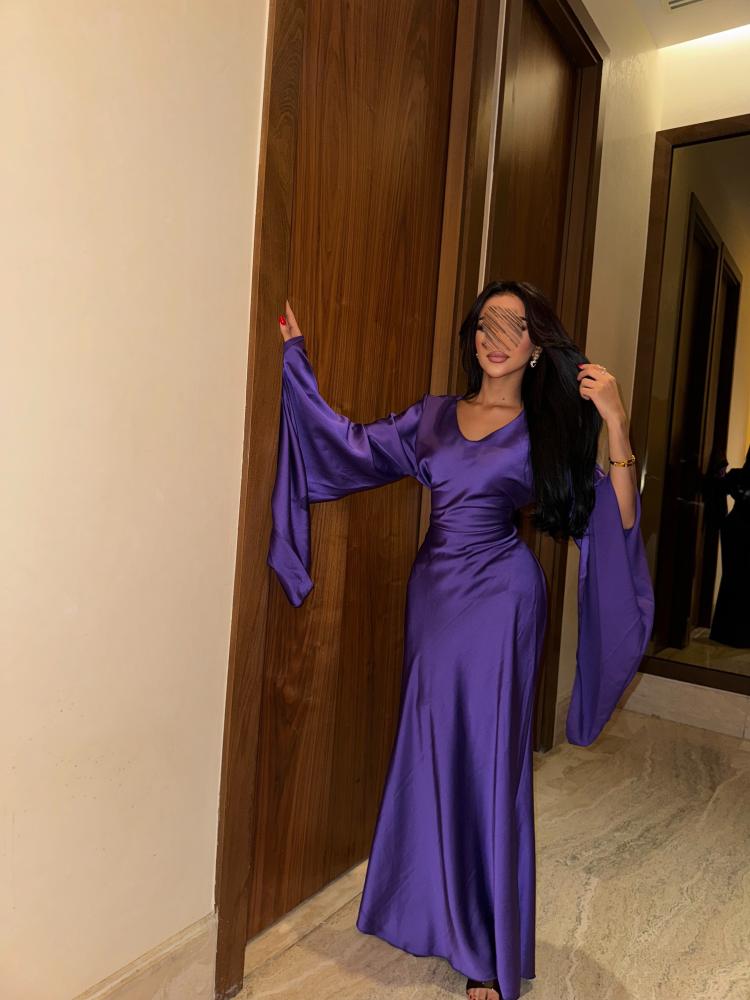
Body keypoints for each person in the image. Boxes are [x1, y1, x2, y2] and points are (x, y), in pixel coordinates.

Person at [267, 281, 655, 1000]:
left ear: (536, 347)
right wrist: (296, 364)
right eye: (486, 323)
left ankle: (485, 950)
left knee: (489, 757)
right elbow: (346, 445)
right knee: (431, 745)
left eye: (513, 325)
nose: (495, 336)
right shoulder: (433, 417)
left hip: (502, 602)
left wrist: (616, 422)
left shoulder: (546, 431)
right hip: (435, 598)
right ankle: (426, 908)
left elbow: (615, 517)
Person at [709, 444, 750, 648]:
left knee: (732, 580)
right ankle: (742, 636)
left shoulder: (738, 476)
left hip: (735, 531)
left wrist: (720, 469)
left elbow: (717, 486)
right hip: (738, 532)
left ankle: (725, 633)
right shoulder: (738, 476)